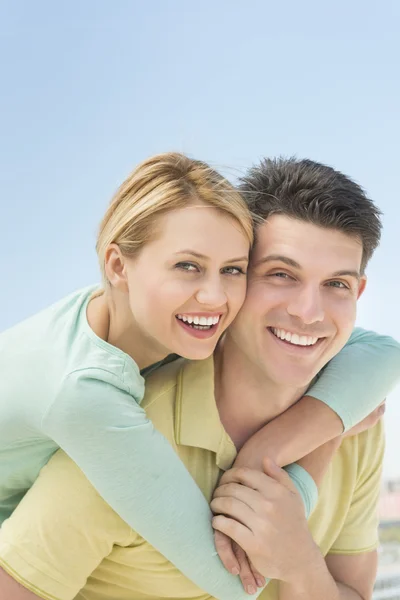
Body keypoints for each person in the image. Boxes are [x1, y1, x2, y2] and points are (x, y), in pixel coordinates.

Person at [0, 156, 396, 600]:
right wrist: (324, 442)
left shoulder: (355, 413)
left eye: (337, 284)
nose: (309, 312)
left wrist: (302, 564)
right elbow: (237, 575)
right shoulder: (109, 433)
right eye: (281, 274)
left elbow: (386, 353)